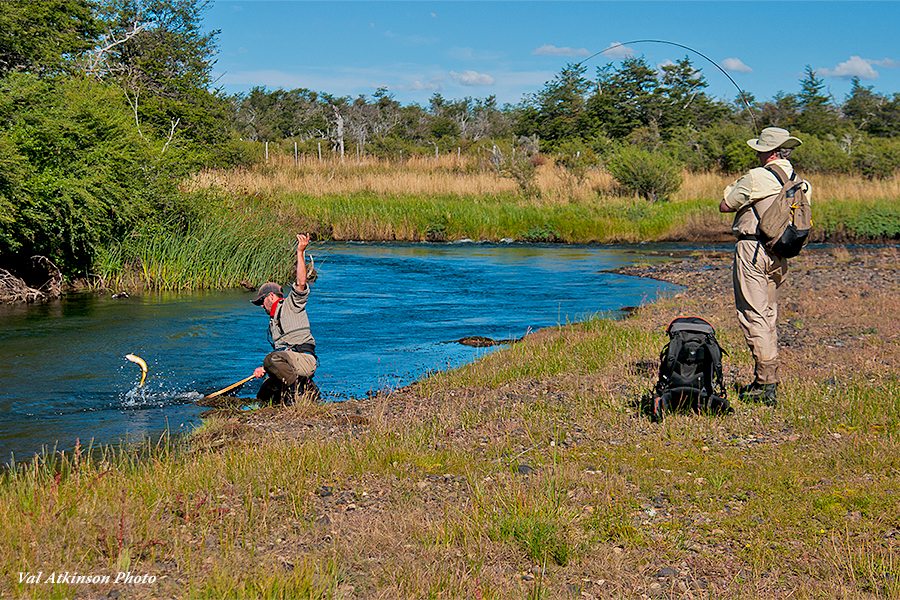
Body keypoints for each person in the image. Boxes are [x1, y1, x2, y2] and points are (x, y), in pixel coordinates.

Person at [719, 127, 812, 406]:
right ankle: (767, 377)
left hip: (753, 250)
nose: (757, 154)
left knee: (754, 315)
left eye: (760, 149)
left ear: (769, 152)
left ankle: (765, 383)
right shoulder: (801, 182)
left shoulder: (756, 176)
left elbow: (726, 205)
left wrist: (732, 185)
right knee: (768, 314)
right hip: (780, 254)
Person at [250, 233, 319, 404]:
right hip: (289, 363)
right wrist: (265, 369)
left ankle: (297, 393)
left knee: (271, 359)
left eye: (261, 300)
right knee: (263, 395)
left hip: (305, 360)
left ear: (271, 296)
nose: (260, 305)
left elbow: (301, 282)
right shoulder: (272, 323)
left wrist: (300, 252)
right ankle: (308, 389)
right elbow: (281, 354)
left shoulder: (291, 304)